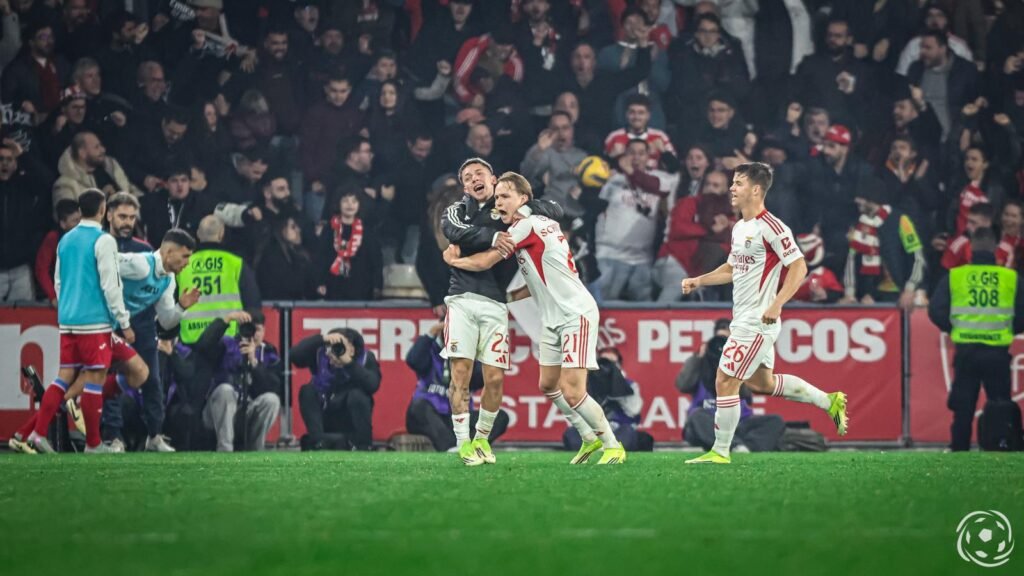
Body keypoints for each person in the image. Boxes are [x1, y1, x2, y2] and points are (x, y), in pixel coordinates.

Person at [444, 171, 627, 465]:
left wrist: (454, 261)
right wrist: (511, 297)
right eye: (497, 197)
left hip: (574, 314)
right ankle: (587, 436)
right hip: (554, 318)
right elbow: (542, 275)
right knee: (548, 385)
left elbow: (487, 260)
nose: (498, 202)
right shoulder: (540, 223)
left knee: (573, 391)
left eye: (505, 196)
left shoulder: (525, 226)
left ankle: (612, 445)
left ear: (523, 199)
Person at [680, 163, 849, 464]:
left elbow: (799, 266)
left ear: (756, 189)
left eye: (738, 183)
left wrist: (777, 303)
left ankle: (720, 451)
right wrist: (699, 280)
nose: (732, 188)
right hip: (744, 318)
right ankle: (829, 401)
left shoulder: (772, 227)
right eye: (733, 182)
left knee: (725, 380)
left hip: (758, 321)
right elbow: (732, 269)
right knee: (762, 384)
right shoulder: (740, 227)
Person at [439, 158, 562, 465]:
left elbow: (555, 210)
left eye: (479, 173)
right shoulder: (457, 211)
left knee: (494, 379)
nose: (473, 179)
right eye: (467, 177)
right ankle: (463, 443)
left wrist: (525, 208)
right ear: (465, 187)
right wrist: (493, 237)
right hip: (461, 299)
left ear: (493, 179)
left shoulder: (508, 211)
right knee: (461, 373)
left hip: (495, 303)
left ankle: (482, 439)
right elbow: (453, 230)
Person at [18, 189, 132, 454]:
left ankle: (37, 433)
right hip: (94, 323)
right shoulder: (104, 241)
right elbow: (111, 285)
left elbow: (58, 281)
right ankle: (93, 443)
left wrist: (69, 308)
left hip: (68, 320)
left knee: (64, 377)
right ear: (103, 211)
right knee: (95, 378)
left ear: (80, 211)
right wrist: (124, 321)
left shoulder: (65, 240)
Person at [102, 228, 199, 452]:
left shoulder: (169, 279)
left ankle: (154, 436)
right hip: (112, 324)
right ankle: (112, 437)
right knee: (106, 377)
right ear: (168, 252)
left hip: (142, 326)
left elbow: (165, 320)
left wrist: (181, 307)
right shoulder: (140, 264)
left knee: (153, 381)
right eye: (185, 256)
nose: (187, 263)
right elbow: (103, 264)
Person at [928, 227, 1024, 451]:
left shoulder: (955, 276)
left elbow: (935, 310)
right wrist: (1009, 329)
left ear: (970, 247)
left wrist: (955, 328)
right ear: (995, 247)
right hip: (997, 352)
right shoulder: (1011, 278)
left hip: (967, 352)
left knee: (963, 408)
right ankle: (1001, 447)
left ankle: (959, 449)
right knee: (1000, 404)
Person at [676, 319, 786, 452]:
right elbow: (683, 385)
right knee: (696, 417)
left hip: (737, 423)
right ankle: (736, 446)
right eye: (720, 340)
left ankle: (744, 448)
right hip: (708, 423)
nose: (723, 347)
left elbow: (747, 395)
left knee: (775, 421)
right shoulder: (700, 362)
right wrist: (698, 358)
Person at [404, 322, 509, 452]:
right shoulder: (430, 350)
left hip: (458, 417)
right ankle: (452, 447)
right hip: (430, 415)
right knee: (419, 407)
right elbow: (413, 360)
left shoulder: (469, 357)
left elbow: (484, 377)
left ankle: (469, 448)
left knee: (499, 416)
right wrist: (431, 333)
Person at [194, 310, 282, 452]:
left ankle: (256, 451)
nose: (253, 334)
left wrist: (254, 362)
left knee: (272, 400)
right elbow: (202, 346)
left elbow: (272, 387)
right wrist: (227, 319)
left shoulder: (269, 353)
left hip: (246, 413)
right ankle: (225, 450)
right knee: (225, 390)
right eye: (250, 329)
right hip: (217, 412)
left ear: (264, 331)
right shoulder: (227, 344)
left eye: (258, 329)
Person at [176, 215, 261, 346]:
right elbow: (253, 303)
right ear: (222, 234)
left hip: (190, 341)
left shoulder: (182, 265)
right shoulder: (236, 264)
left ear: (198, 235)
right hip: (227, 340)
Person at [293, 328, 381, 451]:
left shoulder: (365, 358)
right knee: (307, 391)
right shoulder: (320, 355)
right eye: (331, 347)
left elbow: (372, 385)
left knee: (358, 395)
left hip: (351, 421)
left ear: (352, 349)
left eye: (340, 347)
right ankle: (319, 442)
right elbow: (293, 356)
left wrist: (349, 363)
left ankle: (363, 446)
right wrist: (321, 339)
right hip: (325, 416)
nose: (334, 351)